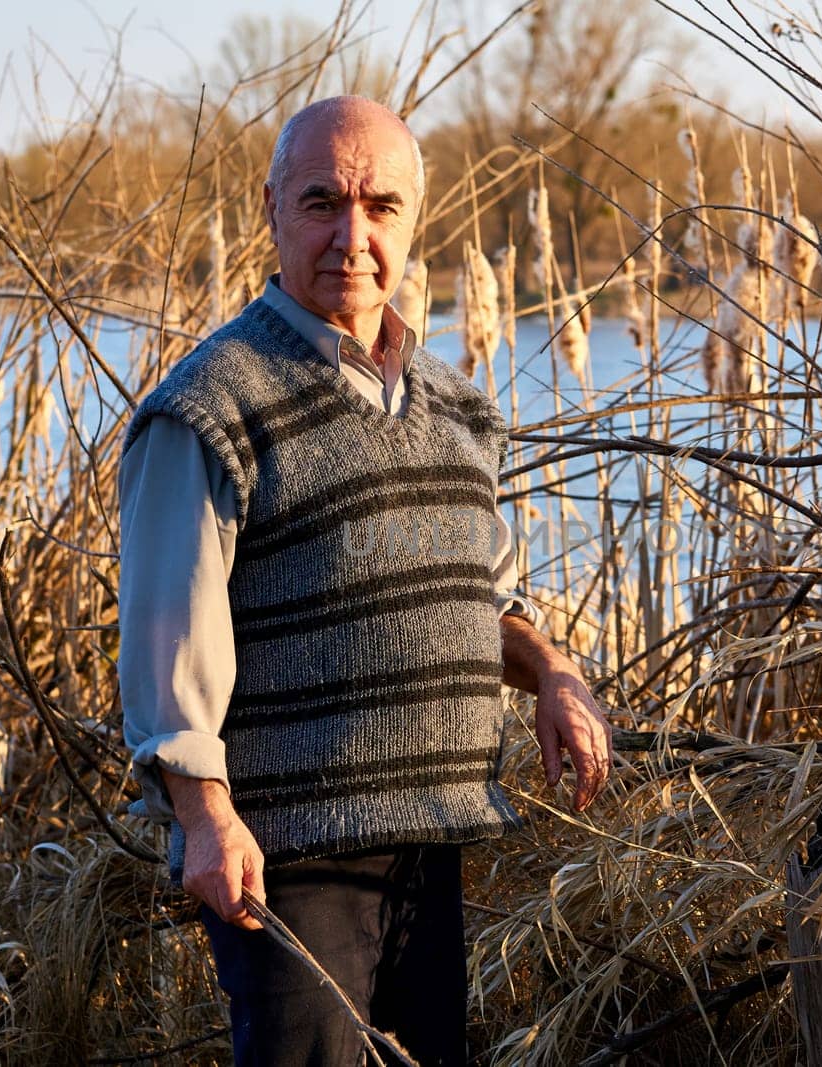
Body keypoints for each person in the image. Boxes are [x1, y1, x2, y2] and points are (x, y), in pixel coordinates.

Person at [116, 95, 613, 1066]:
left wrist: (550, 670)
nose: (353, 236)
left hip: (430, 835)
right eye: (321, 202)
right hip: (287, 852)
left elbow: (481, 602)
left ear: (413, 220)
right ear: (269, 208)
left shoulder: (458, 409)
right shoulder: (209, 407)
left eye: (380, 205)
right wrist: (203, 816)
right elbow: (168, 634)